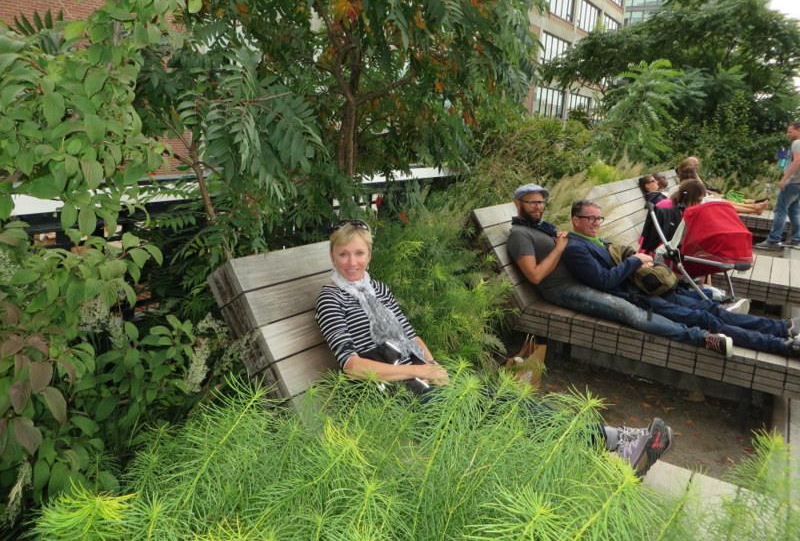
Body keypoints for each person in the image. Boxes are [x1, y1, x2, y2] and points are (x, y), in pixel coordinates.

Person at [316, 218, 673, 477]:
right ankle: (614, 445)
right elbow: (351, 365)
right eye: (344, 254)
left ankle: (612, 439)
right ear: (332, 256)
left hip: (417, 377)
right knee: (497, 413)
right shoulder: (331, 299)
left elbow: (411, 334)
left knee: (507, 398)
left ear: (369, 254)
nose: (352, 262)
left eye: (358, 253)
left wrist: (435, 366)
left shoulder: (376, 288)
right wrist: (420, 370)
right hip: (389, 393)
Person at [506, 184, 729, 355]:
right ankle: (701, 338)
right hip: (563, 290)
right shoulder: (520, 234)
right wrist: (559, 248)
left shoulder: (540, 228)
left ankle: (706, 300)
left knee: (637, 295)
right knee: (626, 310)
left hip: (579, 279)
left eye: (541, 202)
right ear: (518, 203)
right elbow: (534, 276)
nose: (537, 206)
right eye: (531, 202)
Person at [563, 199, 800, 357]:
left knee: (711, 309)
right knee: (707, 320)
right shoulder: (576, 248)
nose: (596, 223)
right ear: (576, 220)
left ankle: (782, 327)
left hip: (653, 289)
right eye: (590, 219)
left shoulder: (597, 241)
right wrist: (635, 260)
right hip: (641, 299)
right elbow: (603, 281)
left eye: (599, 218)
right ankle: (780, 345)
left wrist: (638, 259)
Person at [755, 122, 800, 251]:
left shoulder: (797, 143)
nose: (788, 134)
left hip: (792, 182)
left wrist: (785, 179)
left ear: (799, 130)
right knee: (794, 211)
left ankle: (773, 240)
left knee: (780, 210)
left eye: (790, 131)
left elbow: (797, 160)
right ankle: (797, 240)